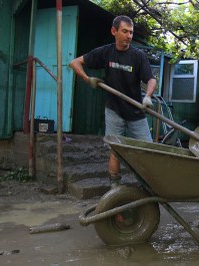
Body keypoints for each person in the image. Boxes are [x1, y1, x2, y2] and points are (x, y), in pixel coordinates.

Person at [69, 15, 156, 188]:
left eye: (131, 32)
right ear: (114, 31)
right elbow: (74, 63)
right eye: (125, 31)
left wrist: (148, 96)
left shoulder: (138, 56)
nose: (129, 36)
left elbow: (151, 79)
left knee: (149, 152)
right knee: (115, 150)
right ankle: (114, 190)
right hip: (114, 110)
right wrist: (88, 79)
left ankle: (149, 189)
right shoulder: (106, 52)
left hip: (136, 111)